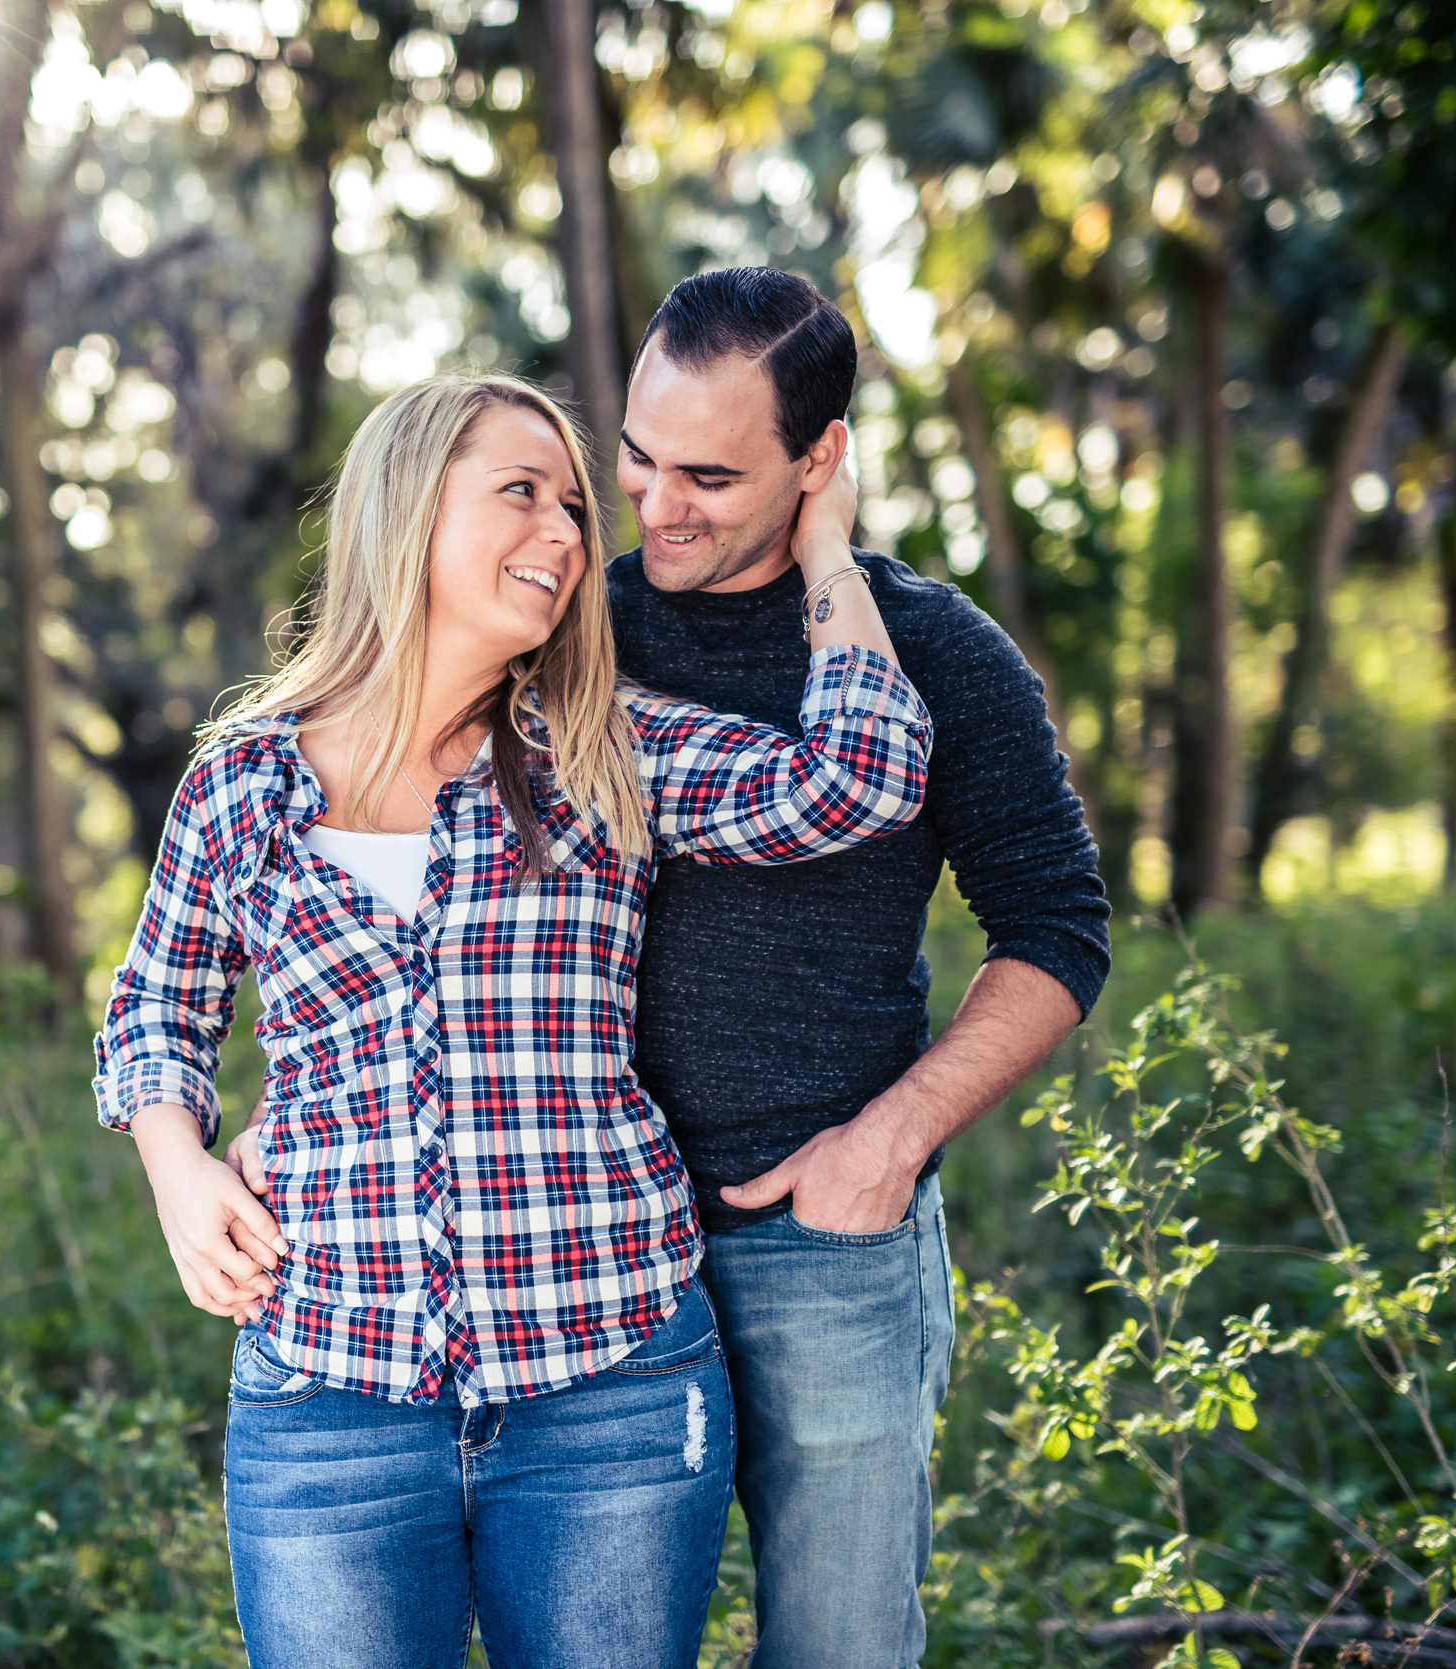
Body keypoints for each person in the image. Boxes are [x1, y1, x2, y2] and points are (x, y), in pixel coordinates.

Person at [93, 371, 932, 1669]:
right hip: (327, 1399)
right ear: (407, 508)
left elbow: (862, 775)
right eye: (520, 494)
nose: (564, 534)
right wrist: (178, 1169)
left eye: (573, 506)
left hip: (612, 1395)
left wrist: (826, 542)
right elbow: (156, 998)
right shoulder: (245, 776)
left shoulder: (603, 754)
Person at [607, 266, 1113, 1668]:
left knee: (837, 1651)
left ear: (820, 460)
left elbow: (1058, 929)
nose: (657, 505)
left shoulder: (943, 651)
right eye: (639, 456)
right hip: (586, 1244)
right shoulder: (568, 638)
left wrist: (885, 1144)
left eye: (710, 472)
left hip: (826, 1247)